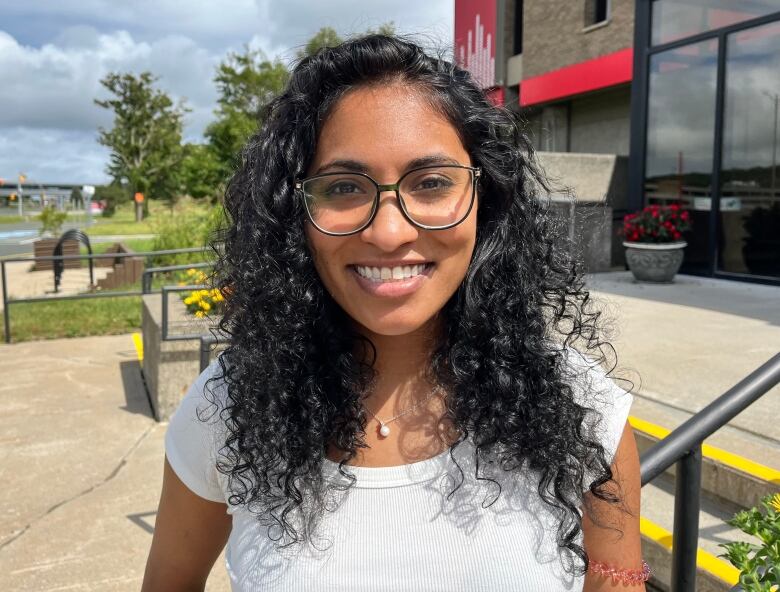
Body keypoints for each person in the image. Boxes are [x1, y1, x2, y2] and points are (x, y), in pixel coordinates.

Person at [142, 34, 647, 591]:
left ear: (489, 199)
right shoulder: (229, 407)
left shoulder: (583, 410)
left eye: (431, 183)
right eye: (342, 187)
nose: (388, 232)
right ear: (296, 214)